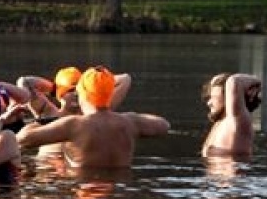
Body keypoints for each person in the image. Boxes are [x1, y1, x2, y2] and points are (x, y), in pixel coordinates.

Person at [14, 66, 169, 168]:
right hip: (116, 194)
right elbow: (164, 125)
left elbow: (22, 139)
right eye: (70, 90)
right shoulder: (128, 121)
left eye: (77, 90)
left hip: (80, 190)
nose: (74, 94)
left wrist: (37, 124)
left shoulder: (73, 124)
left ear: (83, 93)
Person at [200, 72, 261, 158]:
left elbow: (234, 81)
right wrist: (216, 81)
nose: (209, 103)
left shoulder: (237, 120)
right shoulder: (220, 123)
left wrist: (256, 81)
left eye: (214, 98)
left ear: (228, 99)